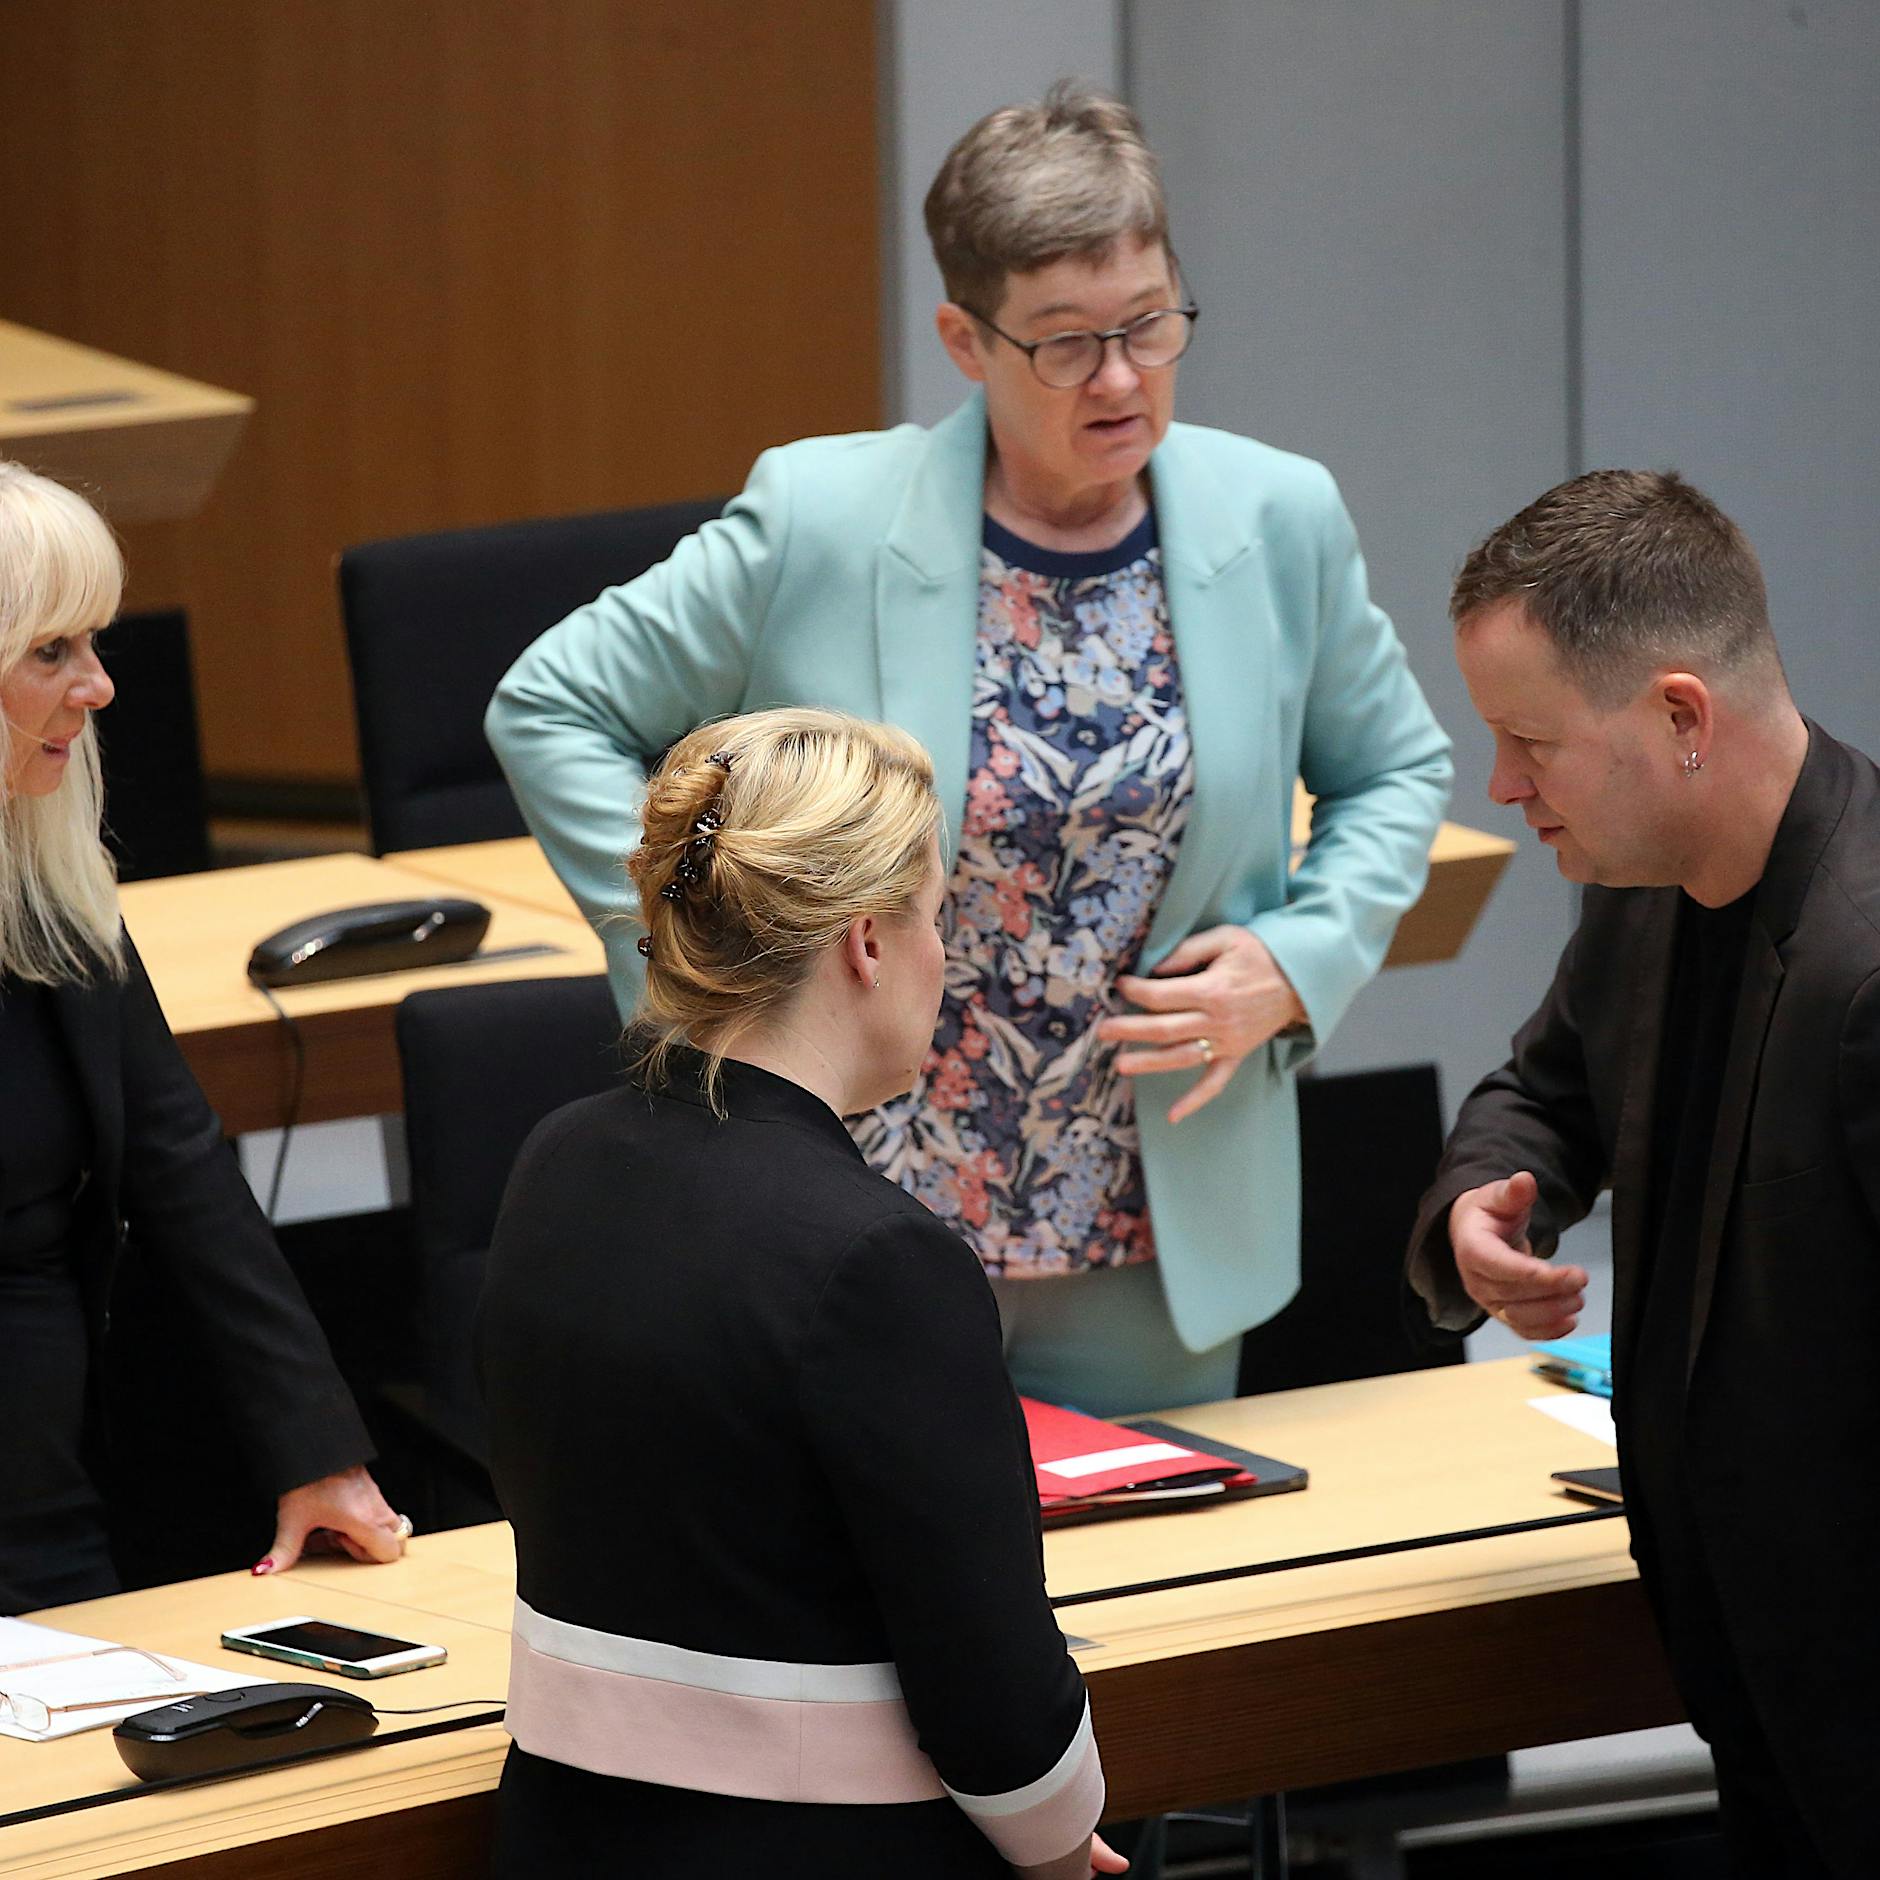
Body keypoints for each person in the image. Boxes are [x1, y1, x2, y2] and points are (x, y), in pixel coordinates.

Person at [486, 82, 1451, 1417]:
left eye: (1150, 323)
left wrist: (1298, 963)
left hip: (1147, 1215)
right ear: (964, 337)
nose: (1120, 377)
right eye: (1065, 343)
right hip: (849, 1201)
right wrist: (687, 954)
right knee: (851, 1599)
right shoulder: (820, 517)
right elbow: (552, 704)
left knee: (1144, 1607)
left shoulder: (1278, 516)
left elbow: (1396, 769)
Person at [477, 708, 1122, 1880]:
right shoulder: (878, 1257)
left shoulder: (553, 1156)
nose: (946, 954)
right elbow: (993, 1693)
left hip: (560, 1835)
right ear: (867, 942)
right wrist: (1054, 1835)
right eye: (935, 914)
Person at [1406, 469, 1880, 1878]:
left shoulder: (1870, 975)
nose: (1499, 787)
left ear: (1680, 717)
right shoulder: (1648, 889)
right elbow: (1544, 1092)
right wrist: (1489, 1200)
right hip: (1747, 1670)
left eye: (1527, 741)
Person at [0, 461, 407, 1613]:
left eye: (95, 643)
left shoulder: (45, 886)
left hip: (49, 1510)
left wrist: (316, 1447)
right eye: (51, 653)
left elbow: (184, 1165)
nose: (100, 686)